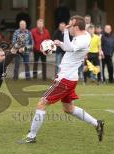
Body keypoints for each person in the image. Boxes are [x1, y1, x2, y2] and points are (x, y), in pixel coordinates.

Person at [22, 15, 104, 144]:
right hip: (70, 78)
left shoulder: (82, 39)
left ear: (76, 27)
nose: (68, 28)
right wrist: (59, 43)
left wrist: (65, 32)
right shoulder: (84, 36)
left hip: (65, 79)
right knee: (68, 109)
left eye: (70, 25)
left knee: (42, 103)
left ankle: (31, 136)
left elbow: (71, 47)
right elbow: (69, 47)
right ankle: (97, 123)